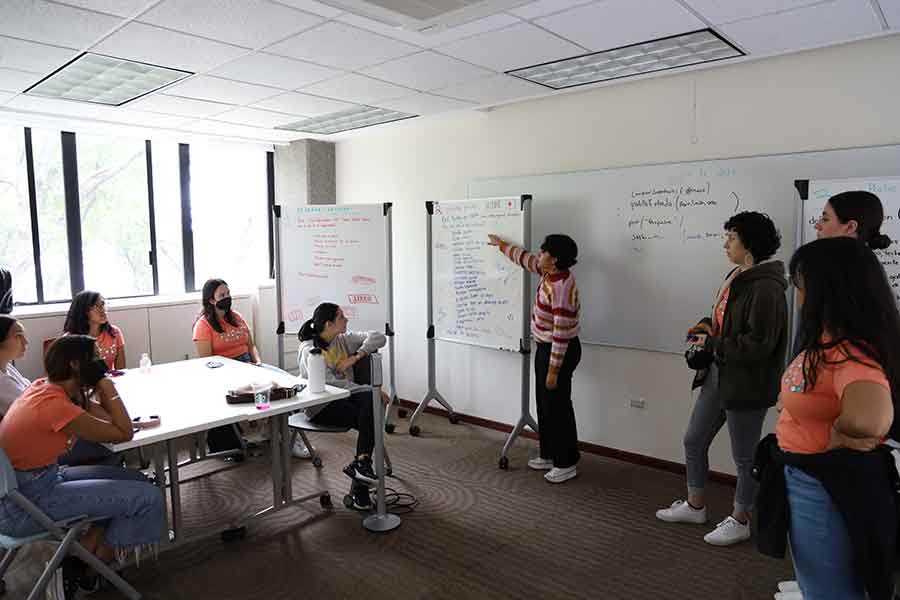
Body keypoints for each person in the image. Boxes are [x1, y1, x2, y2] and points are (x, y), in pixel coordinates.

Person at [756, 237, 900, 599]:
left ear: (827, 289)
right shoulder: (826, 341)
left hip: (824, 483)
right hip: (805, 476)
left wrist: (839, 435)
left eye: (801, 284)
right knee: (816, 579)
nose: (797, 293)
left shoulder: (850, 353)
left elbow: (870, 418)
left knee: (829, 589)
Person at [656, 211, 788, 546]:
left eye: (731, 237)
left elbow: (760, 344)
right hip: (718, 373)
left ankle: (741, 519)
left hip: (747, 383)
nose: (725, 243)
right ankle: (695, 505)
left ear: (750, 244)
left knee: (744, 457)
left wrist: (713, 342)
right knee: (693, 440)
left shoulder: (767, 289)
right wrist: (706, 327)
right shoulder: (735, 275)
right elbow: (723, 322)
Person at [0, 335, 164, 595]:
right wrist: (107, 386)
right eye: (96, 357)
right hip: (24, 506)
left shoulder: (45, 387)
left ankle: (86, 552)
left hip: (36, 483)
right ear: (76, 365)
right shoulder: (55, 405)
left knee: (138, 480)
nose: (101, 363)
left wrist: (104, 398)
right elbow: (123, 433)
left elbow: (108, 416)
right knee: (148, 497)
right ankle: (87, 567)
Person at [488, 233, 582, 484]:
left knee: (559, 407)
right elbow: (527, 260)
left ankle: (567, 462)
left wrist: (553, 371)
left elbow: (562, 334)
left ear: (556, 259)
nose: (540, 253)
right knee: (544, 403)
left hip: (558, 350)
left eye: (545, 251)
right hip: (546, 348)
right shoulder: (548, 273)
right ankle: (549, 454)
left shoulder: (562, 287)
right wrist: (503, 246)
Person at [297, 303, 387, 510]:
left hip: (346, 398)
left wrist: (354, 357)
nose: (346, 320)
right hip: (321, 407)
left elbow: (378, 336)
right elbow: (330, 385)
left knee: (370, 406)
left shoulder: (342, 340)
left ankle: (361, 467)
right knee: (371, 412)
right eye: (341, 317)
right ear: (329, 324)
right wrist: (367, 389)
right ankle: (360, 483)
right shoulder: (309, 350)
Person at [63, 291, 125, 371]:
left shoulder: (114, 332)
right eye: (96, 306)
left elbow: (121, 372)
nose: (102, 309)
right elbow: (67, 377)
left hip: (109, 382)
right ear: (83, 311)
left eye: (103, 304)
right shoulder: (69, 339)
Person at [0, 315, 29, 416]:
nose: (26, 342)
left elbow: (28, 387)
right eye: (18, 336)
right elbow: (30, 407)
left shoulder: (6, 365)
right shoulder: (2, 382)